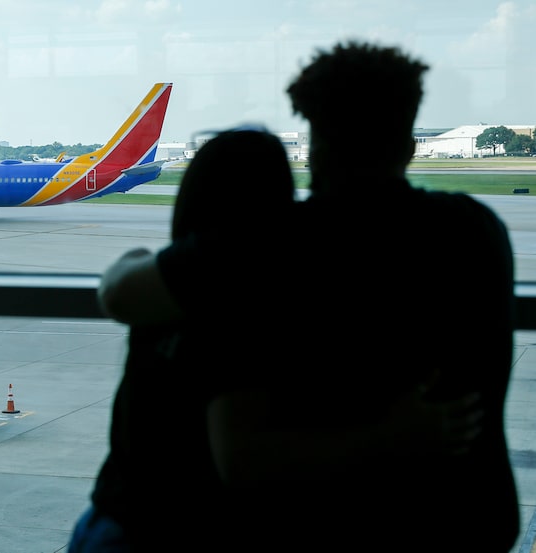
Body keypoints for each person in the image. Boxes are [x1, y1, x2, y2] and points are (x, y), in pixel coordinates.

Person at [68, 123, 486, 552]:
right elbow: (244, 460)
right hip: (169, 529)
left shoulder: (158, 287)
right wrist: (392, 436)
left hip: (111, 517)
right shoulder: (248, 299)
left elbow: (118, 291)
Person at [206, 41, 520, 551]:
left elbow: (241, 461)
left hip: (325, 523)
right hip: (467, 522)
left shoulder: (274, 249)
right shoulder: (475, 231)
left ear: (316, 140)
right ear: (409, 143)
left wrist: (382, 441)